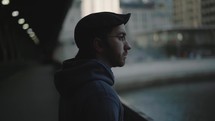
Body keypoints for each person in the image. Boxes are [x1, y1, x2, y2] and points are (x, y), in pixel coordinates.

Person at [54, 11, 131, 121]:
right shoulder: (102, 96)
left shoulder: (72, 81)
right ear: (99, 45)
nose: (128, 46)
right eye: (121, 37)